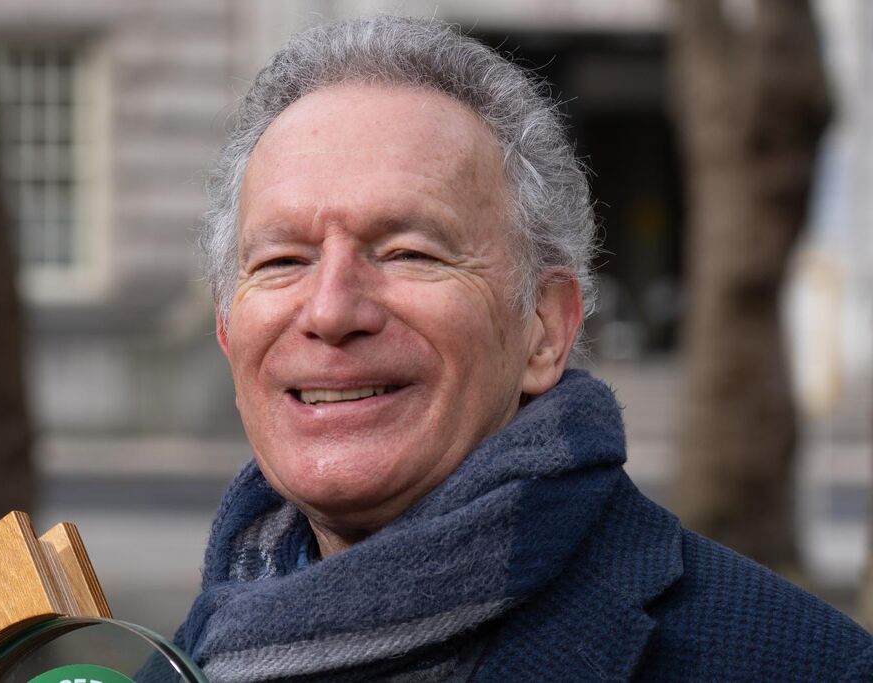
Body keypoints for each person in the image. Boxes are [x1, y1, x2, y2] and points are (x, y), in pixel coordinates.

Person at [172, 16, 873, 682]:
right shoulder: (178, 661)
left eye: (410, 252)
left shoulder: (803, 665)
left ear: (545, 328)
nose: (330, 310)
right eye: (282, 261)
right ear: (228, 331)